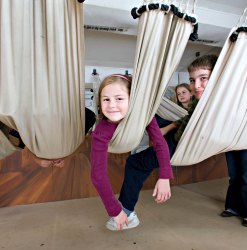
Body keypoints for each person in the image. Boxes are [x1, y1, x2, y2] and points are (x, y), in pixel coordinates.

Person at [90, 74, 173, 231]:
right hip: (114, 139)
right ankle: (126, 211)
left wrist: (164, 177)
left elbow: (160, 144)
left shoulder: (143, 116)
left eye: (119, 98)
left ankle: (128, 210)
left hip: (141, 131)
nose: (112, 105)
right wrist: (115, 211)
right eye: (106, 99)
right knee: (134, 163)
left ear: (131, 100)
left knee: (135, 162)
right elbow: (97, 175)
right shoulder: (101, 130)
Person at [159, 55, 218, 156]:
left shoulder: (203, 101)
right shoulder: (188, 104)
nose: (196, 85)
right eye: (192, 80)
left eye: (203, 78)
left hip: (186, 142)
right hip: (179, 134)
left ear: (190, 93)